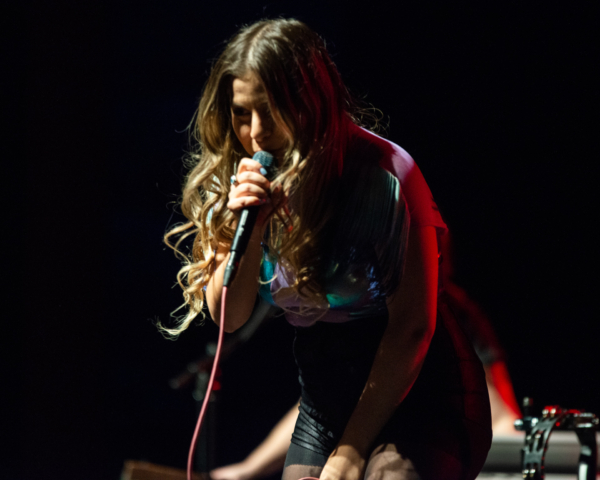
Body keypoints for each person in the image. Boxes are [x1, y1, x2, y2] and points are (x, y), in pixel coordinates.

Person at [165, 18, 492, 480]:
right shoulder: (239, 182)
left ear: (310, 104)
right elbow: (230, 316)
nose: (256, 132)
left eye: (270, 110)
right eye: (240, 113)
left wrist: (350, 452)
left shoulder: (386, 177)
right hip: (327, 395)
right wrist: (250, 227)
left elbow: (412, 327)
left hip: (423, 391)